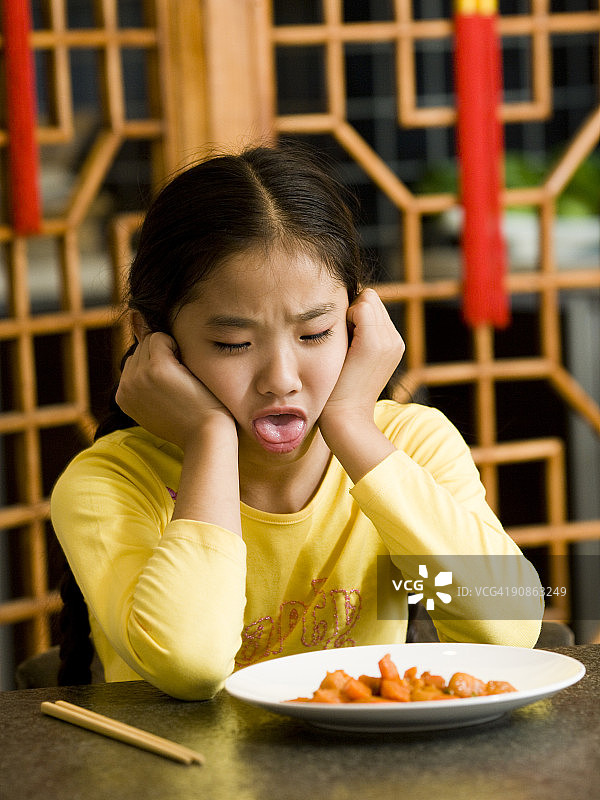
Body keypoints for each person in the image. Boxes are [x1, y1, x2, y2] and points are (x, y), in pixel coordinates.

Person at [51, 144, 543, 700]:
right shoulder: (110, 485)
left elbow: (507, 629)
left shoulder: (411, 445)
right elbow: (189, 666)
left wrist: (354, 427)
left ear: (359, 321)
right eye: (232, 343)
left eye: (314, 335)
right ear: (150, 338)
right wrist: (209, 438)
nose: (282, 378)